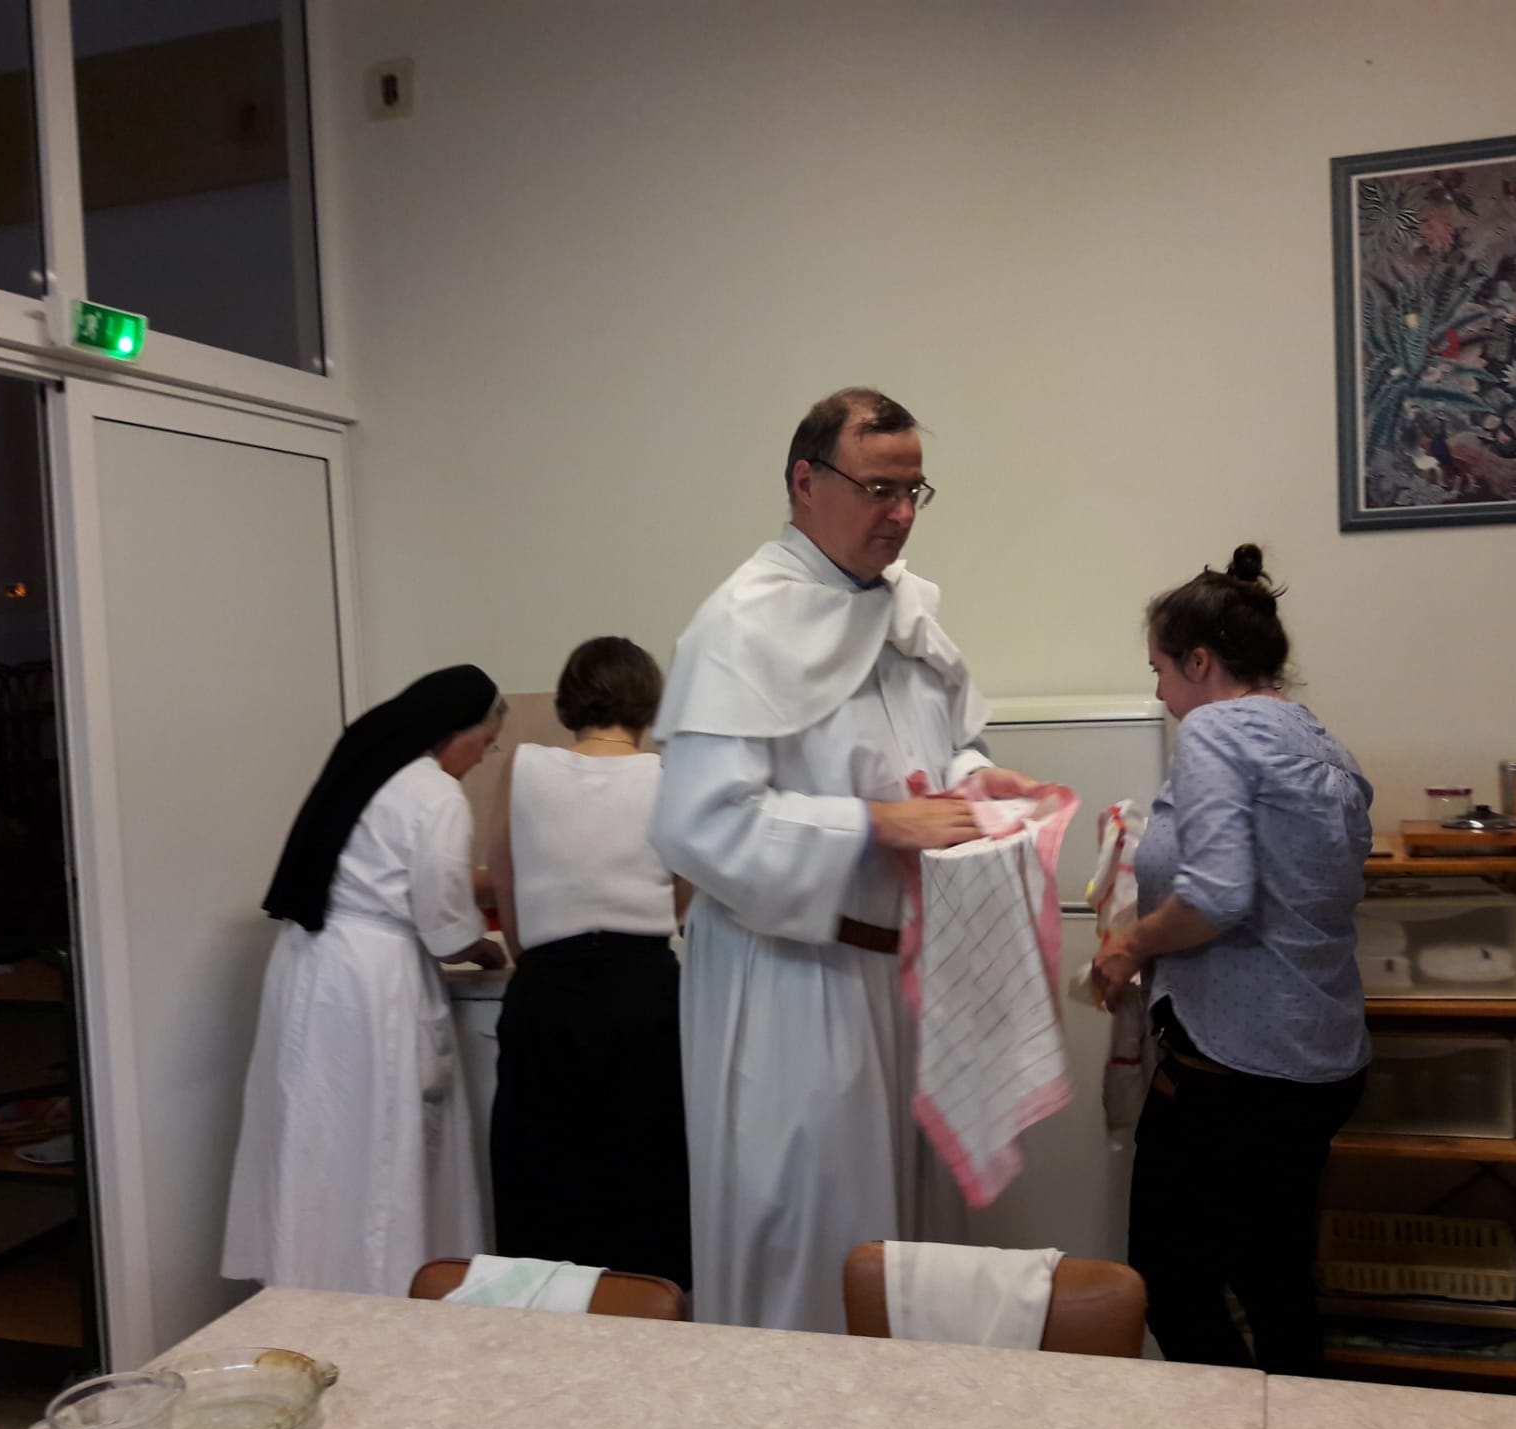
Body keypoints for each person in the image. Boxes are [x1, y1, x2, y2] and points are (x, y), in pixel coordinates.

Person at [647, 386, 1037, 1332]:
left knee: (910, 1252)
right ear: (804, 482)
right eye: (877, 489)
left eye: (913, 491)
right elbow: (699, 823)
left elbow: (950, 740)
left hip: (907, 973)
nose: (899, 514)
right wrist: (871, 825)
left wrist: (975, 780)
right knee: (812, 1245)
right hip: (794, 982)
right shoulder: (740, 624)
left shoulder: (904, 609)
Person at [1091, 545, 1371, 1376]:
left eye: (1158, 669)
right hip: (1320, 1063)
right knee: (1272, 1279)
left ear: (1199, 662)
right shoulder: (1323, 744)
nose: (1158, 693)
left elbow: (1215, 896)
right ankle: (1293, 1420)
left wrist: (1129, 944)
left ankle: (1232, 1421)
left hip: (1234, 1070)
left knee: (1169, 1284)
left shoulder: (1215, 730)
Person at [223, 666, 509, 1296]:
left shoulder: (369, 769)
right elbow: (444, 921)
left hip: (311, 964)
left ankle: (306, 1285)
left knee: (316, 1137)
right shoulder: (435, 793)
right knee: (380, 1140)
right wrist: (483, 946)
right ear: (456, 732)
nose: (481, 759)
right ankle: (384, 1290)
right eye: (486, 744)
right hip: (372, 980)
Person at [486, 636, 693, 1290]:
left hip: (547, 990)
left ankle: (543, 1322)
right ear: (649, 702)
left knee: (541, 1176)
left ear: (568, 699)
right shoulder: (671, 776)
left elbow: (504, 882)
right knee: (646, 1175)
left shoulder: (523, 767)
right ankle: (648, 1315)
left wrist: (535, 952)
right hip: (645, 992)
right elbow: (682, 894)